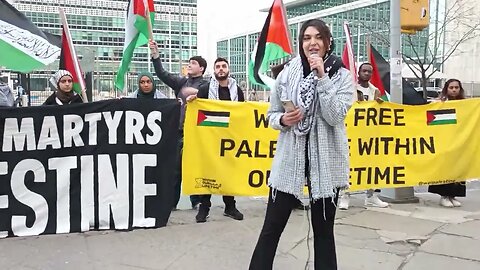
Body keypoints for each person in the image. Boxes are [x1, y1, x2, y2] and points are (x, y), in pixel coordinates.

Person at [249, 19, 354, 270]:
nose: (312, 43)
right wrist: (284, 119)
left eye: (318, 37)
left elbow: (334, 115)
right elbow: (271, 115)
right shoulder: (287, 73)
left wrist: (322, 78)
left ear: (328, 42)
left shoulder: (342, 75)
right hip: (290, 162)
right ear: (301, 43)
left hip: (325, 166)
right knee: (271, 227)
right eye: (307, 38)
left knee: (324, 233)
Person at [149, 39, 208, 210]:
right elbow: (162, 74)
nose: (189, 65)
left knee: (195, 167)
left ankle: (196, 201)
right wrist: (155, 55)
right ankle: (171, 202)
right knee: (175, 169)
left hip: (197, 133)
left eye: (193, 63)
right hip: (179, 131)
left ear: (202, 68)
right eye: (189, 63)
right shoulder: (182, 83)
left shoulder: (207, 85)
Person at [187, 57, 245, 223]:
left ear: (228, 69)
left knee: (228, 173)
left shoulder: (237, 90)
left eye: (224, 66)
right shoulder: (206, 89)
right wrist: (193, 101)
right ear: (214, 70)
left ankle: (230, 207)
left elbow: (242, 112)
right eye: (218, 66)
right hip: (210, 138)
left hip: (229, 138)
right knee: (209, 173)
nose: (221, 69)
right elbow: (199, 108)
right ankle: (204, 208)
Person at [338, 62, 389, 210]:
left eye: (369, 72)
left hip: (369, 135)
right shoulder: (350, 89)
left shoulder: (375, 91)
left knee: (371, 165)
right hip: (352, 134)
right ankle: (345, 195)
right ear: (358, 72)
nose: (367, 74)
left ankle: (371, 196)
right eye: (364, 71)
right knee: (350, 165)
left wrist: (379, 104)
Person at [428, 78, 466, 207]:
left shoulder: (466, 104)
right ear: (446, 89)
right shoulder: (441, 103)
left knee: (458, 169)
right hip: (444, 141)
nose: (454, 90)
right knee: (445, 168)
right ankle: (444, 195)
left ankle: (453, 195)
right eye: (451, 87)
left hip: (460, 141)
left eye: (456, 87)